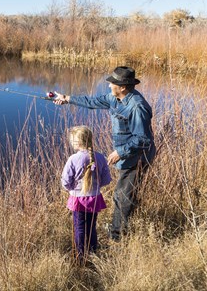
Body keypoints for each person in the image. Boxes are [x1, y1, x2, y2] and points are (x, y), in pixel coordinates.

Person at [53, 66, 156, 241]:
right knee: (125, 193)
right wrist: (67, 99)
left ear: (122, 86)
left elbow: (143, 139)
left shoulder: (137, 107)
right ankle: (121, 226)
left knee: (122, 196)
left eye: (112, 83)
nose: (109, 86)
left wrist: (120, 152)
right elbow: (93, 102)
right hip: (126, 155)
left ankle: (117, 236)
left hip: (137, 157)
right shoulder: (115, 98)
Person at [61, 125, 112, 262]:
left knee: (79, 228)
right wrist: (95, 187)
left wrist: (72, 189)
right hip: (94, 198)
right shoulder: (100, 157)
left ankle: (80, 256)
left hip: (78, 200)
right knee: (91, 226)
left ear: (77, 143)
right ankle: (93, 252)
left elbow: (65, 181)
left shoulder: (73, 159)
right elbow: (106, 179)